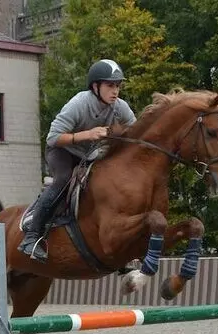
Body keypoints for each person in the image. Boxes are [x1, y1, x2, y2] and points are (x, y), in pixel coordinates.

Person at [19, 59, 137, 262]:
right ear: (95, 86)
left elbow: (137, 132)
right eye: (110, 85)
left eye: (117, 86)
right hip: (63, 150)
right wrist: (86, 134)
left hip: (90, 155)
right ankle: (31, 237)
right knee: (64, 179)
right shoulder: (79, 103)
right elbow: (53, 137)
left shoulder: (120, 107)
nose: (115, 91)